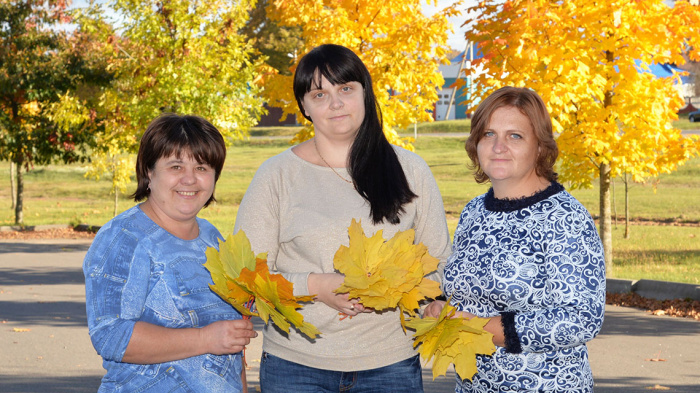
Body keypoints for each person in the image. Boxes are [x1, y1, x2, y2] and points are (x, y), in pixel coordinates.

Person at [233, 43, 451, 392]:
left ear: (365, 92)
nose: (335, 103)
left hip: (390, 364)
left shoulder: (411, 170)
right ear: (304, 106)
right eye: (319, 94)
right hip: (297, 365)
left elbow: (437, 261)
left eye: (346, 89)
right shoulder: (276, 175)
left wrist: (393, 292)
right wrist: (317, 287)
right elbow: (248, 275)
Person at [425, 86, 606, 392]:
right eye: (489, 134)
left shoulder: (564, 218)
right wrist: (440, 306)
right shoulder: (474, 211)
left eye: (515, 136)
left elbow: (581, 319)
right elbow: (467, 291)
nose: (498, 146)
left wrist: (481, 327)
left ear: (539, 147)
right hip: (473, 386)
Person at [83, 114, 257, 393]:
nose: (189, 179)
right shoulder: (124, 238)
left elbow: (231, 341)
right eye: (176, 166)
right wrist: (205, 339)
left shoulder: (212, 237)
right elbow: (111, 335)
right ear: (149, 172)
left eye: (202, 167)